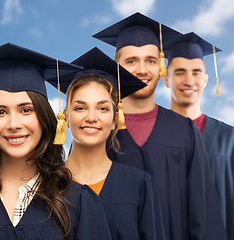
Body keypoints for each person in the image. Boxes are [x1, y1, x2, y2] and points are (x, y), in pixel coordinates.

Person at [0, 43, 112, 240]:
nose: (13, 124)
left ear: (43, 117)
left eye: (26, 110)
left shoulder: (79, 202)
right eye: (0, 112)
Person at [92, 12, 227, 239]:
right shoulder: (100, 131)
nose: (142, 69)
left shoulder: (185, 131)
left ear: (161, 68)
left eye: (151, 60)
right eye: (131, 61)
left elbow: (205, 215)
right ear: (116, 68)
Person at [47, 47, 165, 239]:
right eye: (80, 108)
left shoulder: (139, 184)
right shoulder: (45, 186)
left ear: (114, 119)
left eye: (102, 108)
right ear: (65, 117)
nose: (91, 117)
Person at [163, 32, 234, 240]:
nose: (189, 80)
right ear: (166, 79)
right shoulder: (149, 139)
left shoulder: (232, 142)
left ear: (206, 80)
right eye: (179, 72)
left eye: (196, 72)